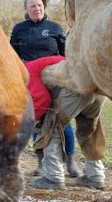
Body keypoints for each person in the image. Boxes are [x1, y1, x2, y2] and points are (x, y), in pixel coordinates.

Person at [10, 0, 81, 177]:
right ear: (26, 9)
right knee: (37, 120)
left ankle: (71, 162)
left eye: (39, 5)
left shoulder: (55, 28)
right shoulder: (19, 29)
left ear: (44, 7)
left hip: (55, 79)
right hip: (30, 79)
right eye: (32, 6)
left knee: (61, 120)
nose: (37, 9)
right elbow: (12, 56)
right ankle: (42, 163)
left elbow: (66, 55)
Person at [24, 56, 106, 190]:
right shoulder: (43, 62)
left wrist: (34, 121)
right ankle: (95, 176)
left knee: (51, 127)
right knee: (89, 131)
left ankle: (53, 177)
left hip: (75, 88)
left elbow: (41, 98)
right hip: (96, 89)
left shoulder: (26, 72)